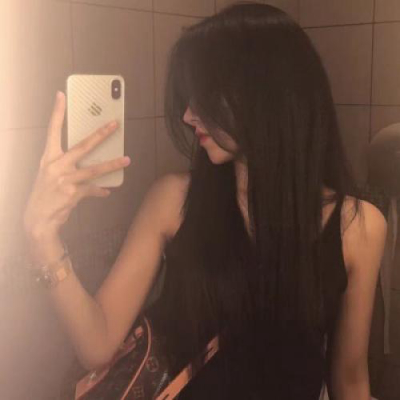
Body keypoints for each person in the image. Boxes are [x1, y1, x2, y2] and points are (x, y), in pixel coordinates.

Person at [23, 2, 387, 399]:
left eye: (207, 96)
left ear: (266, 95)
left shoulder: (360, 227)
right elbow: (97, 345)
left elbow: (351, 381)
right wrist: (42, 236)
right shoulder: (172, 200)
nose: (188, 115)